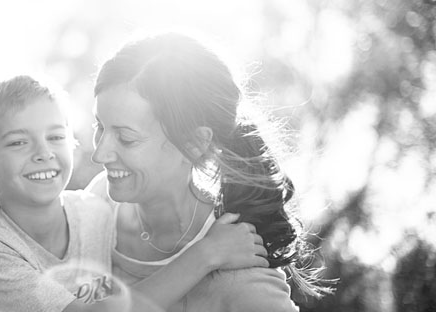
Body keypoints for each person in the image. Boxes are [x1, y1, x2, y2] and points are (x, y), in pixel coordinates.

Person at [0, 75, 270, 312]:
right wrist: (205, 255)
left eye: (55, 137)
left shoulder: (93, 210)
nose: (43, 153)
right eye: (18, 142)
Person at [87, 32, 329, 312]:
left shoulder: (242, 275)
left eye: (126, 138)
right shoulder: (98, 202)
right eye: (100, 127)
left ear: (195, 143)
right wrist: (202, 257)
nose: (99, 154)